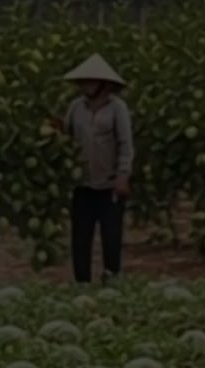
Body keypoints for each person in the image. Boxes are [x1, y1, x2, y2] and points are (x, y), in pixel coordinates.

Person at [48, 53, 135, 285]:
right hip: (83, 184)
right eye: (84, 81)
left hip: (109, 185)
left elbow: (125, 144)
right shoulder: (76, 107)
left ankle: (111, 282)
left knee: (111, 238)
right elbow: (68, 137)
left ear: (104, 84)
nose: (86, 85)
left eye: (91, 81)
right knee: (80, 239)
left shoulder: (118, 108)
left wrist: (123, 175)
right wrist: (54, 132)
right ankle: (82, 285)